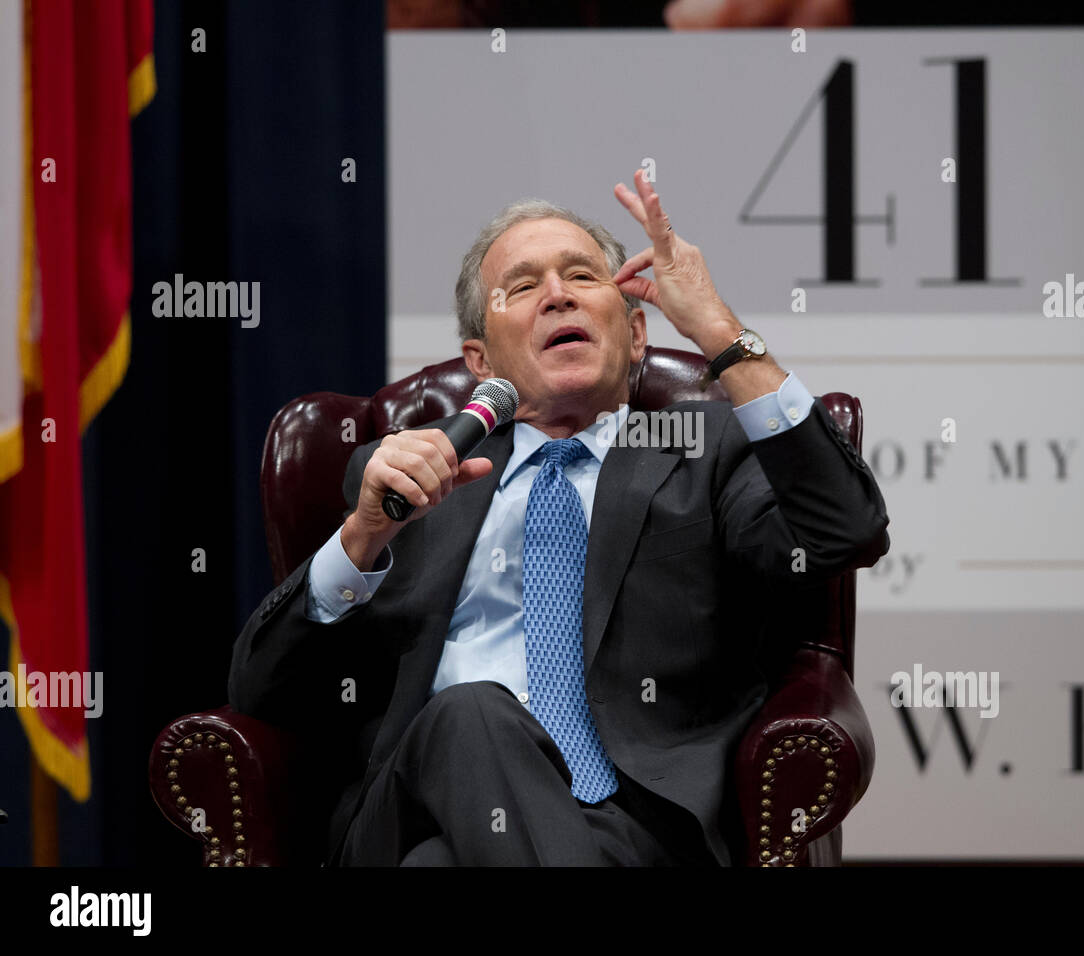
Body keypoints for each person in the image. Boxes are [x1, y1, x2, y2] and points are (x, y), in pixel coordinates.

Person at [227, 169, 890, 865]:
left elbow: (845, 531)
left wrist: (722, 334)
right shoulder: (407, 479)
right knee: (469, 712)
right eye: (522, 286)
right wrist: (362, 537)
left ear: (636, 335)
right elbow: (260, 687)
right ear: (480, 361)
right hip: (413, 797)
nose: (558, 294)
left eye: (582, 275)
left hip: (634, 825)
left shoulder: (711, 451)